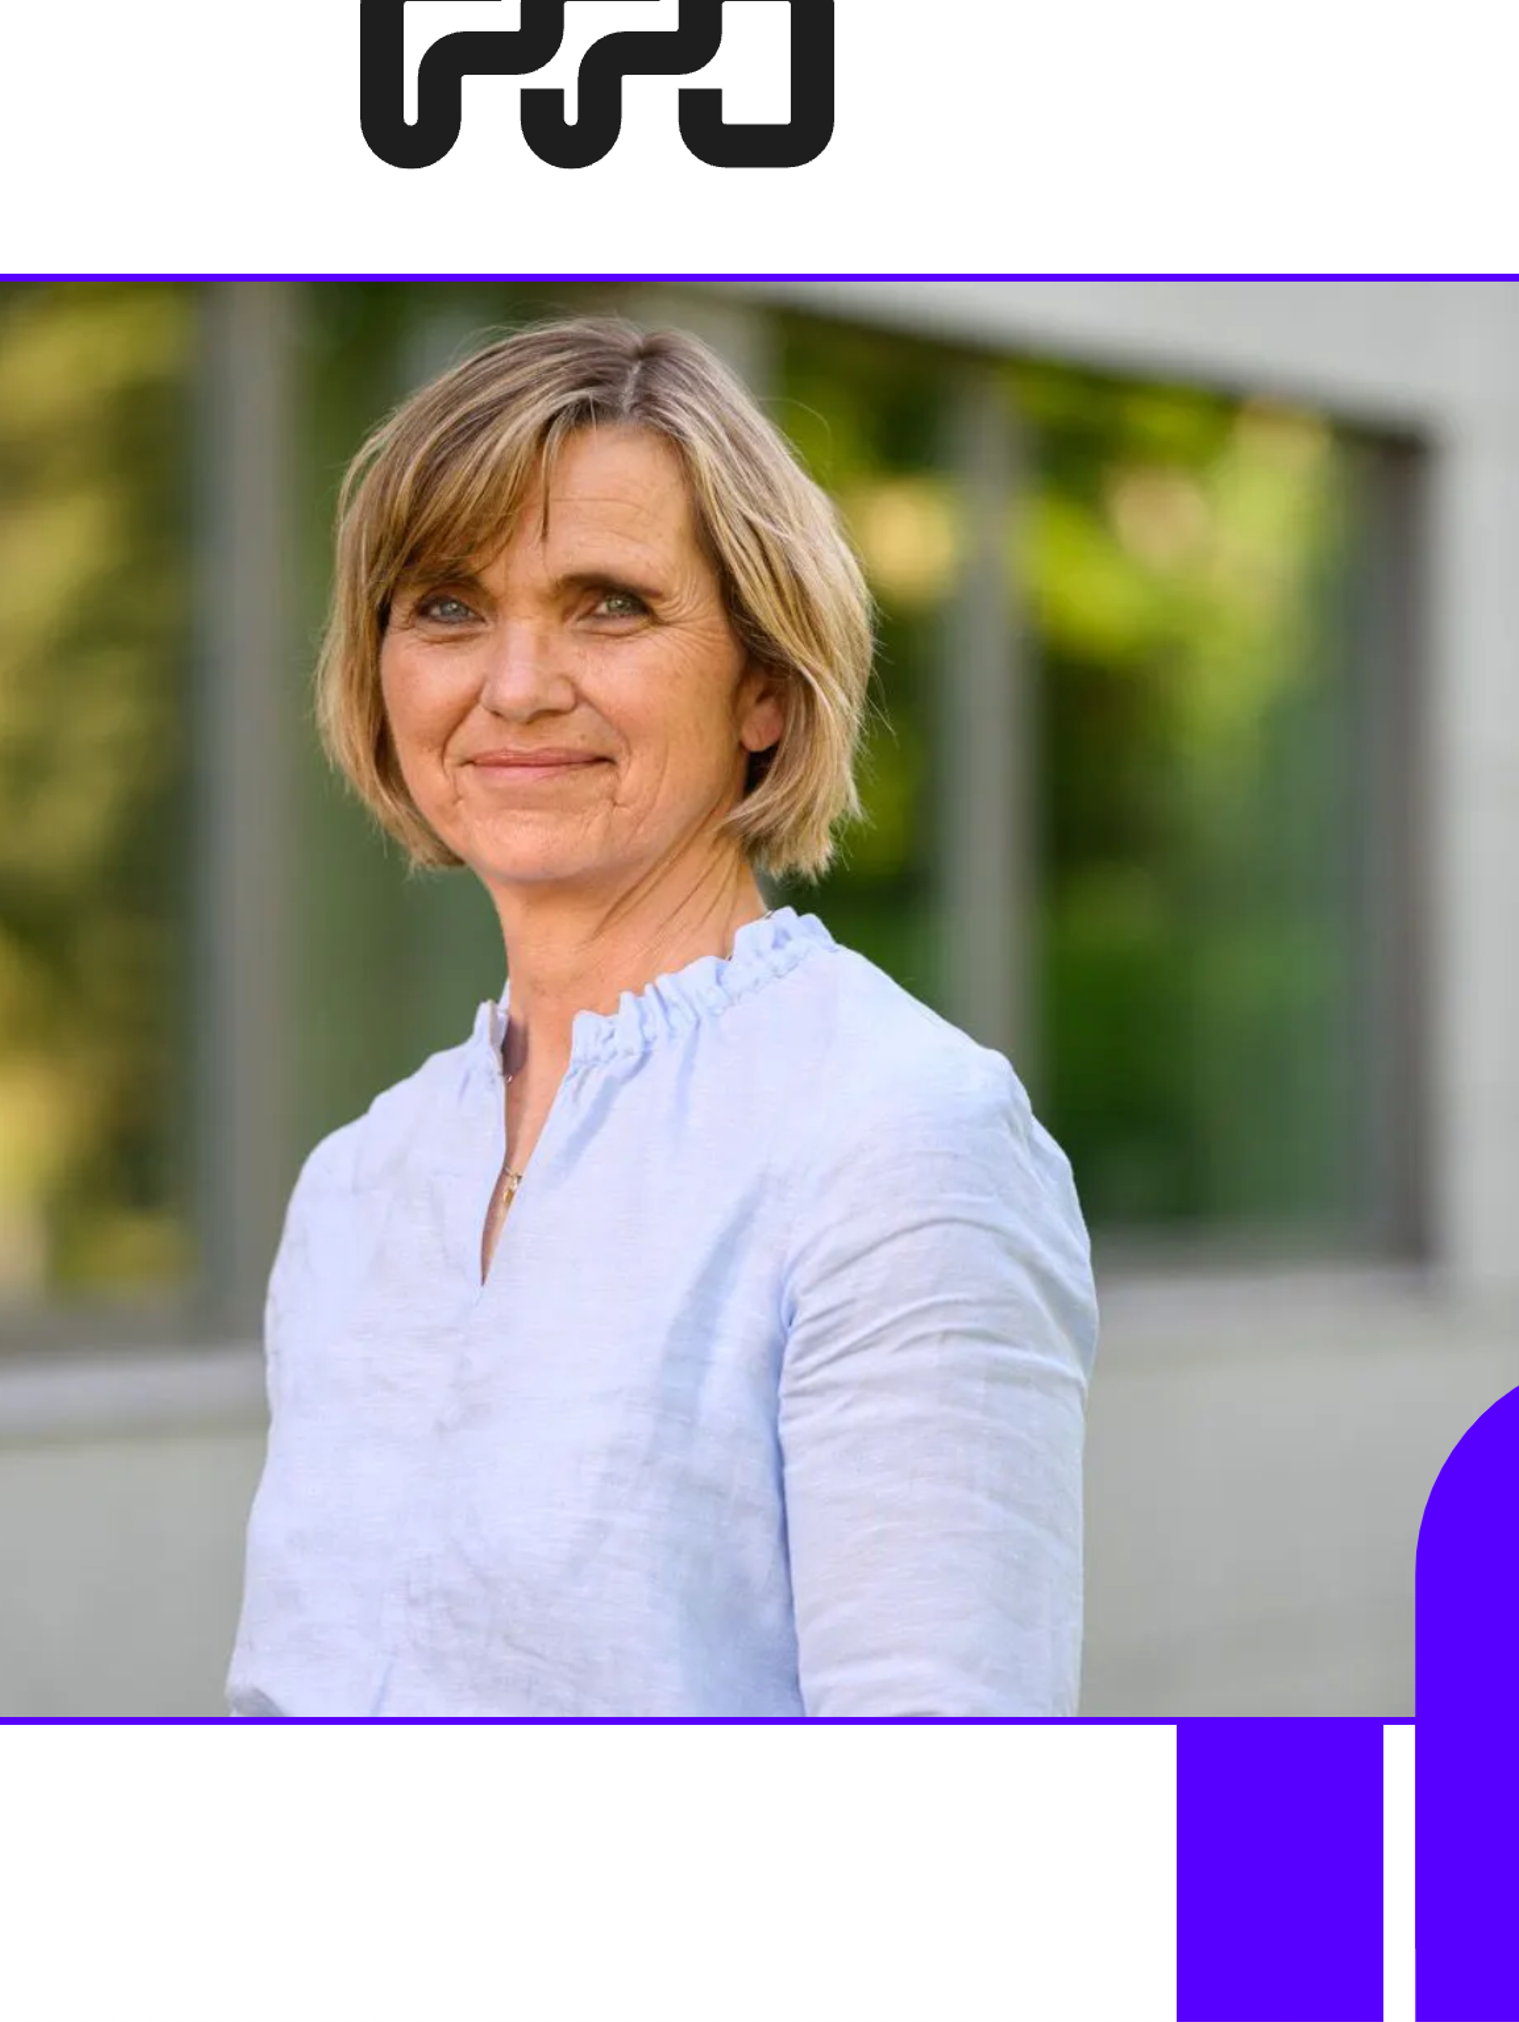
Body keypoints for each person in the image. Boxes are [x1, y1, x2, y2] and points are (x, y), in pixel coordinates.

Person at [226, 314, 1096, 1716]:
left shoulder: (900, 1142)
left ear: (763, 685)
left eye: (608, 604)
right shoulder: (356, 1187)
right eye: (448, 606)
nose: (515, 686)